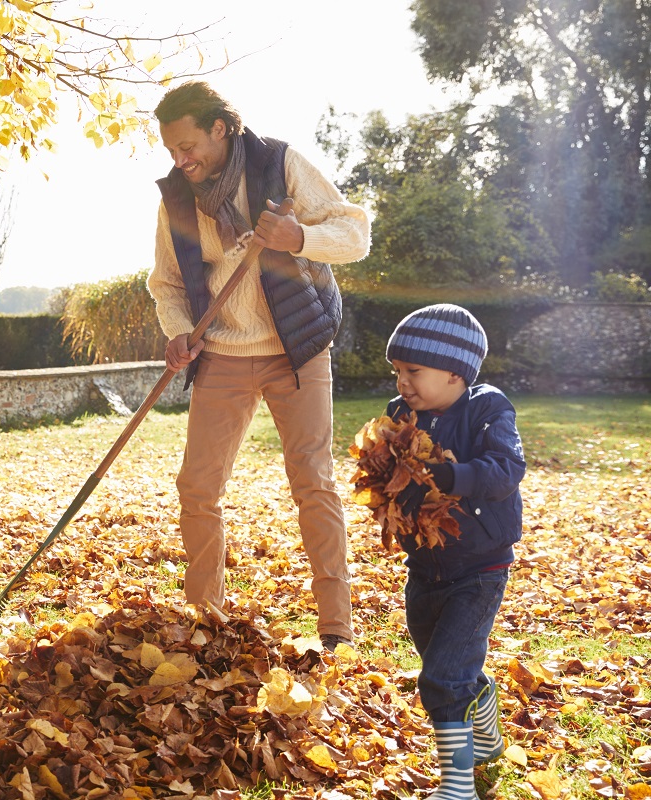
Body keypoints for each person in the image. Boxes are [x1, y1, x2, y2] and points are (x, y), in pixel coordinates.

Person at [147, 80, 369, 649]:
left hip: (297, 347)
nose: (181, 159)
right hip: (222, 352)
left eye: (189, 145)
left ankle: (337, 630)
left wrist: (299, 236)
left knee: (313, 481)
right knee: (197, 487)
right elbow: (168, 283)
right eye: (172, 150)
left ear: (220, 129)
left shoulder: (279, 163)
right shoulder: (176, 197)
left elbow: (354, 234)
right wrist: (177, 331)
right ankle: (204, 622)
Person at [384, 303, 524, 799]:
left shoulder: (489, 408)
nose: (402, 382)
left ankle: (457, 787)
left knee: (442, 677)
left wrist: (455, 475)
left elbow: (507, 469)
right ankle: (481, 705)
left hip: (480, 566)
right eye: (397, 371)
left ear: (454, 371)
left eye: (413, 371)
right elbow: (391, 466)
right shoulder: (402, 414)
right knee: (446, 663)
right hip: (424, 565)